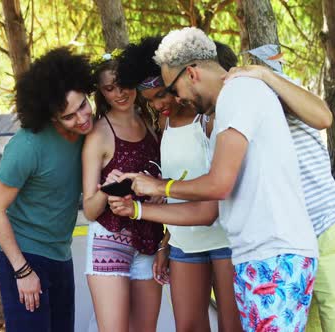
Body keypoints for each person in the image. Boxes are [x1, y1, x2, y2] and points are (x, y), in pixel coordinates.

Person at [109, 27, 319, 331]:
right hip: (255, 255)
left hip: (274, 254)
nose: (175, 98)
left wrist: (159, 185)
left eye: (172, 88)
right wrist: (138, 210)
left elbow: (218, 185)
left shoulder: (238, 92)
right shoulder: (225, 110)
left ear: (191, 73)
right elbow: (208, 209)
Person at [115, 37, 241, 332]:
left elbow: (203, 192)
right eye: (151, 101)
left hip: (225, 239)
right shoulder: (163, 123)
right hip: (185, 242)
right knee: (188, 326)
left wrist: (142, 205)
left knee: (232, 326)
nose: (159, 104)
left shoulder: (206, 117)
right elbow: (176, 186)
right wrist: (165, 244)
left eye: (163, 94)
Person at [0, 47, 94, 332]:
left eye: (82, 105)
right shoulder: (27, 147)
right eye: (69, 116)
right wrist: (22, 271)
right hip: (23, 253)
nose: (81, 118)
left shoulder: (89, 135)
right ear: (51, 117)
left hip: (60, 252)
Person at [223, 65, 335, 332]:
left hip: (323, 224)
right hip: (286, 242)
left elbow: (323, 117)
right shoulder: (227, 113)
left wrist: (265, 75)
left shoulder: (261, 86)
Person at [81, 53, 163, 331]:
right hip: (110, 239)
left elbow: (160, 180)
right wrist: (107, 189)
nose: (119, 93)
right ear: (101, 93)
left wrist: (160, 192)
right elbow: (91, 210)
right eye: (109, 88)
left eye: (123, 84)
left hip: (150, 238)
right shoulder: (99, 134)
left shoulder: (151, 123)